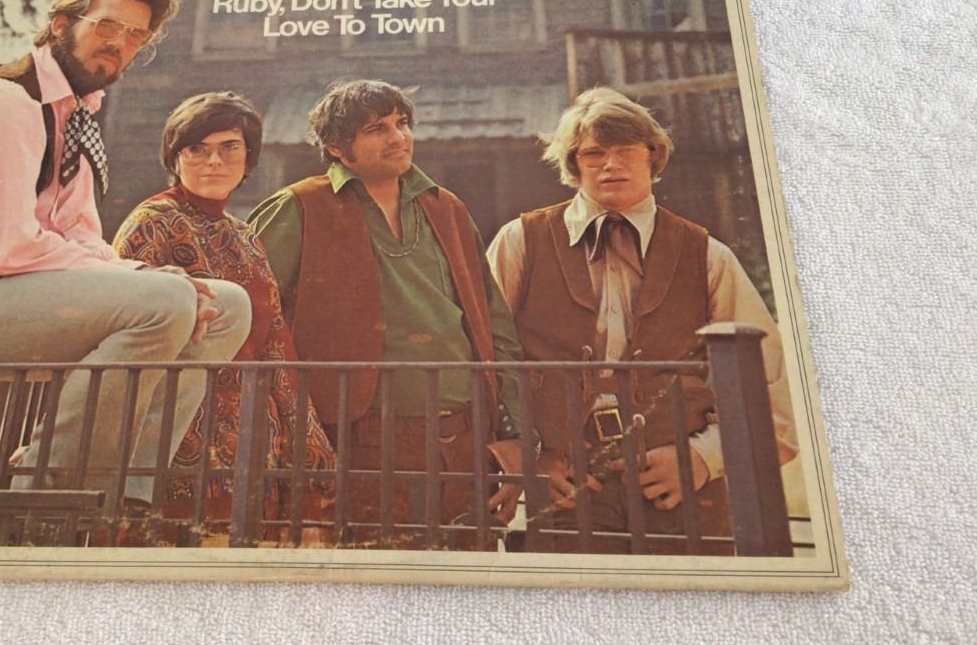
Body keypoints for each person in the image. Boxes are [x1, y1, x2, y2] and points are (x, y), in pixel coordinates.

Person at [0, 0, 251, 515]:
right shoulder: (8, 101)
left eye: (135, 35)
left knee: (226, 305)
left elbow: (80, 235)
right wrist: (145, 279)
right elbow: (3, 248)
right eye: (106, 25)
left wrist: (147, 277)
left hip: (11, 305)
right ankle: (45, 490)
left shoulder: (76, 116)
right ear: (60, 25)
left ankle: (127, 494)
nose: (119, 43)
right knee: (164, 300)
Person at [486, 86, 797, 553]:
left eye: (627, 150)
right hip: (562, 492)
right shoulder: (520, 242)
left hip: (681, 494)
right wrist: (524, 457)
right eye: (594, 153)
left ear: (652, 156)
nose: (611, 164)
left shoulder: (707, 255)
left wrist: (704, 458)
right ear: (574, 164)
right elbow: (479, 359)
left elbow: (770, 382)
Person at [248, 79, 524, 548]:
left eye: (402, 124)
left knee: (465, 579)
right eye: (377, 129)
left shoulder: (447, 207)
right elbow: (254, 323)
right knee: (370, 579)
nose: (398, 137)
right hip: (355, 443)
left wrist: (513, 434)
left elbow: (493, 324)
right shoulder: (299, 206)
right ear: (337, 147)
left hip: (465, 443)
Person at [112, 92, 336, 539]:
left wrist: (306, 445)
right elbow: (117, 325)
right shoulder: (152, 221)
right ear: (175, 157)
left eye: (230, 147)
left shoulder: (245, 236)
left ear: (248, 158)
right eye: (197, 148)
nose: (214, 161)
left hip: (253, 435)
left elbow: (275, 339)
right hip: (173, 432)